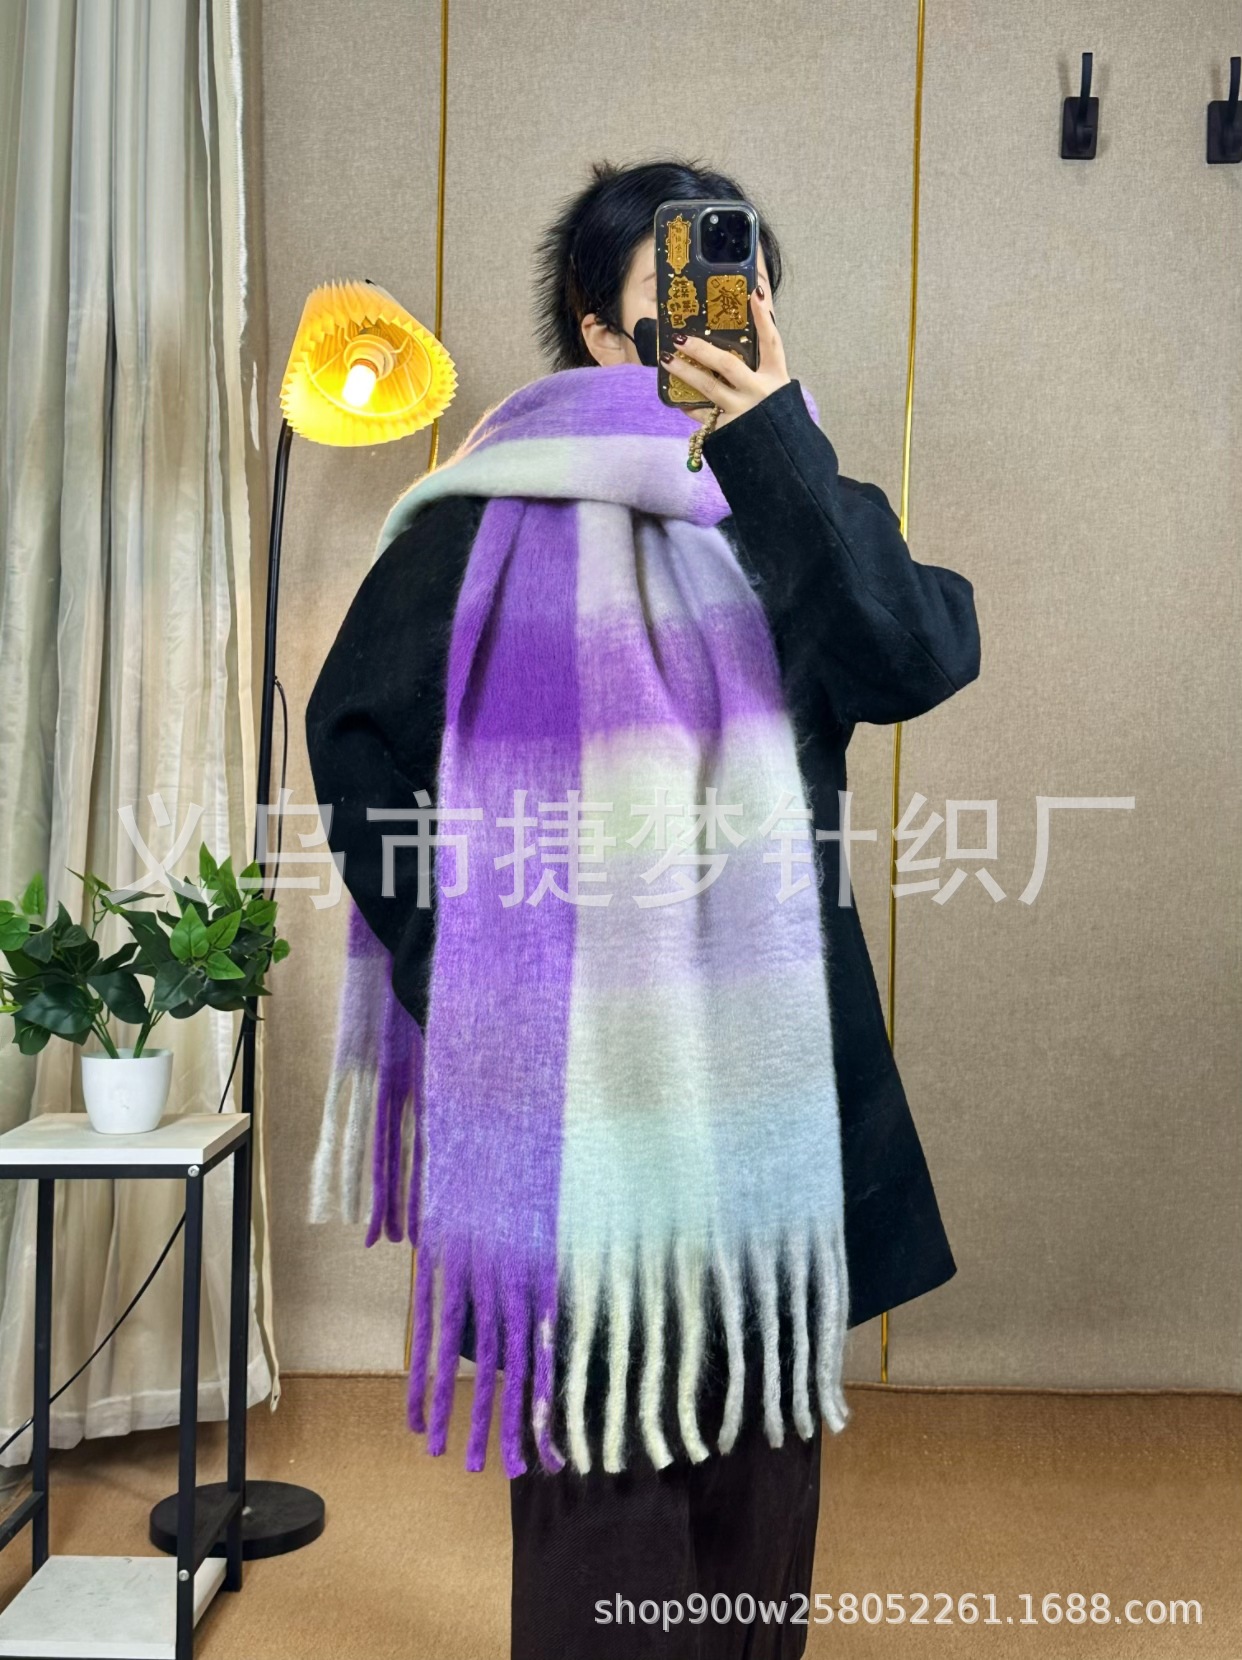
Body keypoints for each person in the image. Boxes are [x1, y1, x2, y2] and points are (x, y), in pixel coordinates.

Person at [305, 159, 981, 1660]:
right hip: (567, 1098)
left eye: (750, 290)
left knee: (758, 1493)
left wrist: (774, 443)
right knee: (600, 1506)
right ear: (600, 326)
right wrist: (467, 971)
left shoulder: (794, 508)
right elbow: (356, 753)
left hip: (768, 1090)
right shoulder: (476, 520)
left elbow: (911, 658)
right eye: (685, 292)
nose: (728, 317)